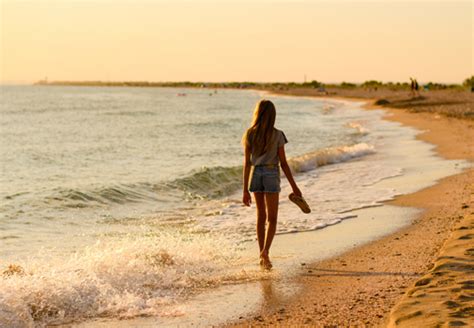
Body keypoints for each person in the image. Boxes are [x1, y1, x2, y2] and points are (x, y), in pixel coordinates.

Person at [241, 99, 302, 269]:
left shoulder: (249, 134)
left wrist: (245, 190)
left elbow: (247, 164)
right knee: (272, 219)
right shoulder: (278, 135)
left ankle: (262, 254)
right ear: (273, 115)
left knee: (261, 217)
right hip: (271, 173)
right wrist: (294, 186)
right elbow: (283, 163)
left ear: (258, 114)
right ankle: (266, 251)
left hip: (256, 174)